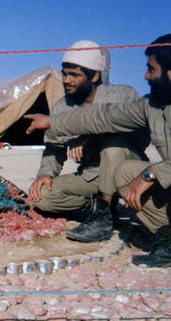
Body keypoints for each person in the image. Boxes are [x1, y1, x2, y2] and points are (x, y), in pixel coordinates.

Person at [25, 33, 171, 287]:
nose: (145, 76)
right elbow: (103, 116)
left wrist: (153, 173)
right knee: (125, 172)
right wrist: (52, 121)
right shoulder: (154, 105)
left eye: (151, 69)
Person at [29, 40, 150, 243]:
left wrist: (89, 135)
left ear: (94, 76)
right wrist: (45, 173)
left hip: (128, 173)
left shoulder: (123, 95)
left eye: (74, 75)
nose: (66, 80)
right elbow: (54, 148)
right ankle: (100, 208)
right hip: (92, 175)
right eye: (64, 74)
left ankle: (102, 218)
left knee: (113, 147)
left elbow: (141, 136)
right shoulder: (62, 107)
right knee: (43, 196)